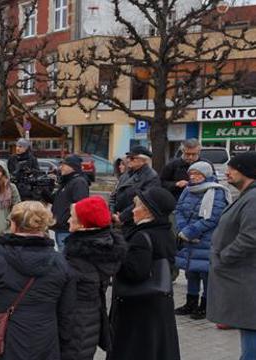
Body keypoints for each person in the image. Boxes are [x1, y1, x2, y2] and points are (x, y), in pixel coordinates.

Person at [0, 201, 75, 359]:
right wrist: (62, 345)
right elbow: (67, 313)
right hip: (43, 343)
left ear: (13, 224)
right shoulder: (61, 263)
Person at [109, 187, 180, 360]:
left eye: (137, 206)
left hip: (139, 309)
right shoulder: (165, 231)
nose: (133, 210)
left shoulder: (142, 236)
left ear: (149, 211)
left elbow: (135, 273)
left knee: (135, 351)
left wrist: (118, 255)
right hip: (158, 305)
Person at [63, 196, 128, 360]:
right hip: (90, 320)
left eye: (73, 217)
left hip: (74, 324)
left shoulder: (79, 257)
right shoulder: (104, 246)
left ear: (83, 225)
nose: (69, 220)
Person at [207, 152, 256, 358]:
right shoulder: (248, 196)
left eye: (232, 168)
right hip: (243, 278)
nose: (227, 172)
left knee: (251, 332)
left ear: (247, 171)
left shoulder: (253, 199)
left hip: (247, 278)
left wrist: (224, 257)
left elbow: (251, 237)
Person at [173, 161, 229, 320]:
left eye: (198, 174)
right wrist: (183, 229)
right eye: (191, 174)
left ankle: (205, 306)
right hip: (188, 239)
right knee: (191, 272)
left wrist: (191, 231)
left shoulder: (216, 191)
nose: (194, 177)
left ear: (207, 175)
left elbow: (212, 218)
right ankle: (190, 303)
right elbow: (179, 210)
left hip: (206, 239)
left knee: (206, 274)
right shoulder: (187, 189)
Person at [109, 146, 160, 230]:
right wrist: (112, 214)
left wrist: (122, 217)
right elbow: (113, 196)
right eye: (128, 157)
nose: (128, 160)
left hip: (135, 223)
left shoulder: (151, 177)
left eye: (132, 158)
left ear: (144, 160)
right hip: (117, 220)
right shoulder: (125, 175)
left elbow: (144, 202)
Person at [49, 154, 90, 251]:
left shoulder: (79, 182)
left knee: (66, 260)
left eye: (63, 165)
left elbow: (80, 205)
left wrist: (68, 221)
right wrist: (43, 190)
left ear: (73, 167)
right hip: (61, 228)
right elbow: (54, 200)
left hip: (68, 230)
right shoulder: (67, 182)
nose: (60, 167)